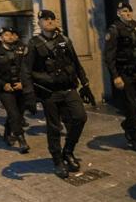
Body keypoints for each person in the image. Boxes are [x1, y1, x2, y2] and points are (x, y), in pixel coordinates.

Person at [21, 10, 90, 179]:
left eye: (52, 18)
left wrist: (85, 84)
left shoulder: (65, 40)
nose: (50, 21)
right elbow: (26, 71)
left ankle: (68, 151)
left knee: (80, 118)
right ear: (40, 22)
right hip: (49, 93)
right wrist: (29, 95)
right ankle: (58, 160)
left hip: (68, 89)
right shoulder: (33, 43)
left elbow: (76, 63)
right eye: (46, 19)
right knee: (54, 127)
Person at [104, 1, 136, 152]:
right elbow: (109, 56)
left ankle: (128, 124)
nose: (128, 13)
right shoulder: (114, 30)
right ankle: (134, 138)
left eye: (129, 11)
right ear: (119, 13)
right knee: (130, 105)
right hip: (124, 73)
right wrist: (115, 76)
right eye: (124, 11)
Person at [0, 27, 30, 153]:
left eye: (11, 34)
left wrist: (23, 83)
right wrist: (2, 84)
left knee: (18, 113)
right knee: (13, 114)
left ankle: (7, 134)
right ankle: (21, 139)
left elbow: (25, 69)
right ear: (1, 38)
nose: (9, 37)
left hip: (19, 87)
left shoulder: (20, 50)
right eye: (6, 35)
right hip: (5, 89)